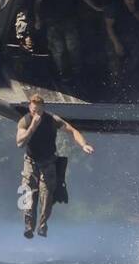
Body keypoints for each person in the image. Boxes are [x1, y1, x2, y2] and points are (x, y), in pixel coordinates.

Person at [15, 94, 94, 238]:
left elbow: (72, 130)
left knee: (47, 194)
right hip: (31, 161)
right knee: (27, 192)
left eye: (38, 111)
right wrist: (33, 126)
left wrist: (84, 144)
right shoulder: (25, 121)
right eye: (33, 110)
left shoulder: (52, 119)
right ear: (29, 108)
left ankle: (43, 225)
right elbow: (20, 143)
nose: (36, 113)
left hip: (48, 161)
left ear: (43, 109)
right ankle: (28, 225)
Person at [34, 0, 104, 82]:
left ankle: (77, 70)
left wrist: (95, 7)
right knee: (58, 49)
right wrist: (37, 19)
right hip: (52, 21)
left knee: (73, 46)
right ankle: (63, 72)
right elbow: (37, 3)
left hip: (68, 20)